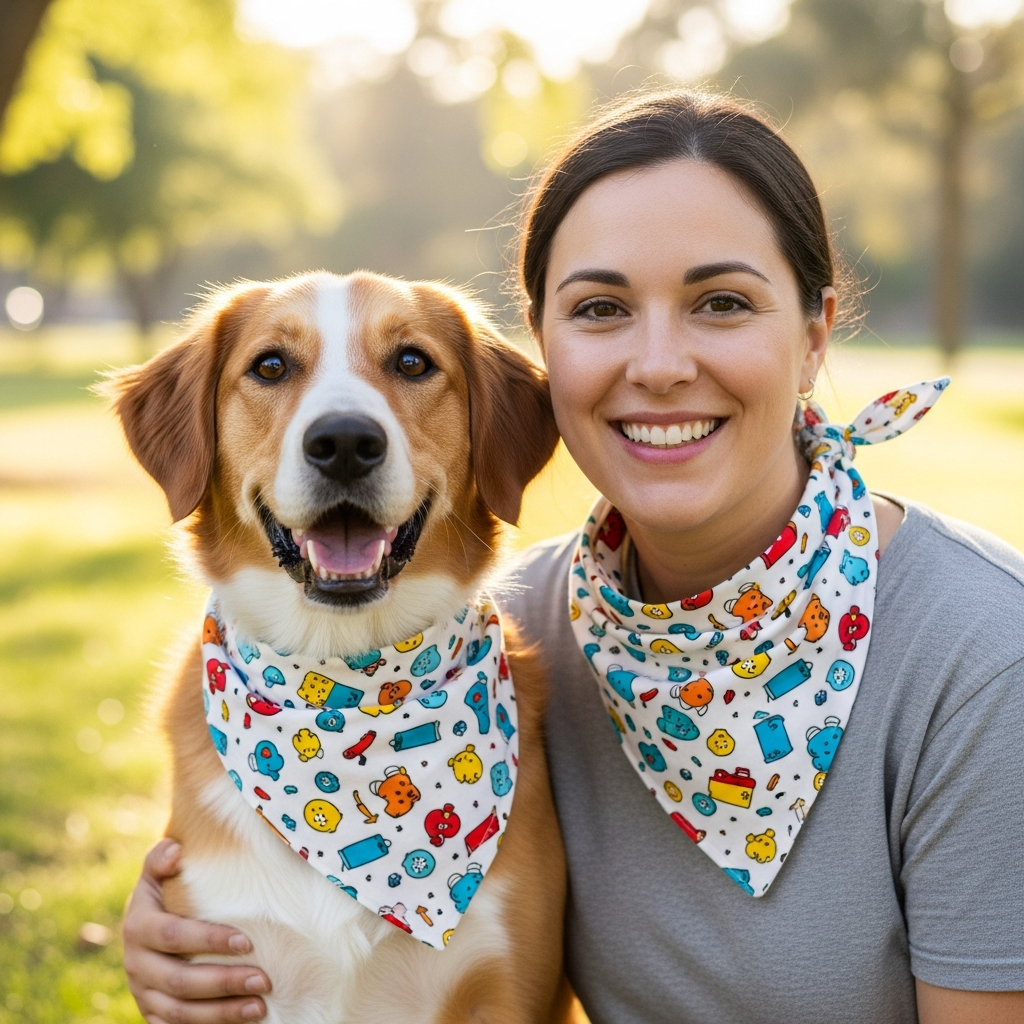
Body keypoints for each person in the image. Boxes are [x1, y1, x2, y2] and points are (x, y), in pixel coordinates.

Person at [122, 91, 1024, 1024]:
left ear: (814, 334)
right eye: (601, 308)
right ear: (546, 347)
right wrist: (160, 941)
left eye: (722, 302)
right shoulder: (537, 627)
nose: (662, 362)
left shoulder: (987, 660)